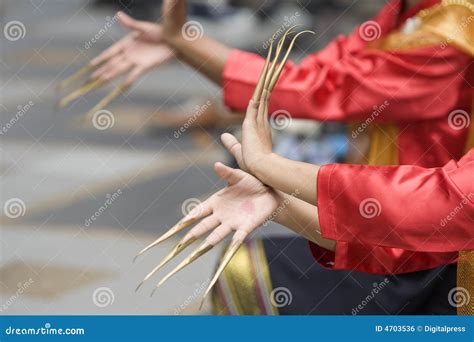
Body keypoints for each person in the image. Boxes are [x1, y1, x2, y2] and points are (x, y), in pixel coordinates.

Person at [75, 0, 473, 314]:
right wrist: (278, 199)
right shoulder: (409, 11)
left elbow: (444, 201)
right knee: (245, 271)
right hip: (398, 227)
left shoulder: (454, 30)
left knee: (254, 278)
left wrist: (271, 167)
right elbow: (317, 73)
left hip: (430, 257)